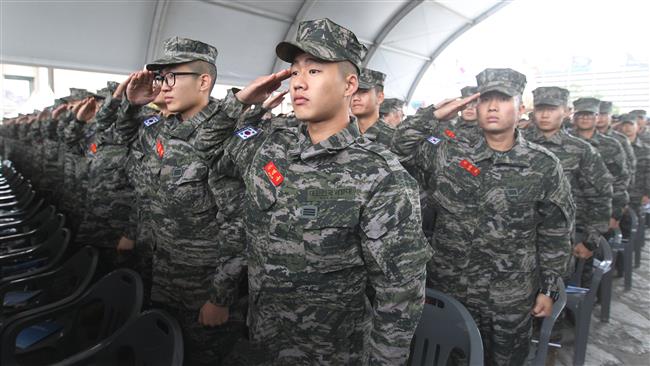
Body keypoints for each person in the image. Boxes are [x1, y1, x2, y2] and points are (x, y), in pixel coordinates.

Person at [212, 18, 431, 365]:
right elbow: (213, 161)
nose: (299, 82)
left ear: (349, 85)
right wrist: (241, 104)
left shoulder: (380, 175)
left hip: (332, 352)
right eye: (295, 71)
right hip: (263, 336)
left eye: (314, 71)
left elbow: (399, 292)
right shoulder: (270, 146)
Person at [392, 68, 574, 365]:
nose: (492, 107)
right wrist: (432, 117)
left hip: (510, 296)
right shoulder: (448, 153)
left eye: (502, 99)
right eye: (485, 99)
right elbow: (397, 149)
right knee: (444, 357)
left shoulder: (543, 164)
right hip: (450, 286)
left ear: (520, 108)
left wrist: (549, 287)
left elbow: (555, 229)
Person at [124, 36, 247, 365]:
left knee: (200, 356)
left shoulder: (225, 137)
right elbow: (116, 140)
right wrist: (132, 104)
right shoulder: (163, 129)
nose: (164, 86)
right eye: (161, 77)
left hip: (202, 285)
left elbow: (239, 224)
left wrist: (219, 297)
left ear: (204, 81)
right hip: (163, 271)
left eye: (173, 76)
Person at [571, 98, 630, 239]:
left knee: (601, 255)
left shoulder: (611, 145)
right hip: (569, 215)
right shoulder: (564, 143)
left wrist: (615, 213)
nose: (585, 118)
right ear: (574, 117)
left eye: (589, 114)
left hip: (600, 213)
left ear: (597, 117)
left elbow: (621, 179)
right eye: (581, 114)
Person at [351, 67, 395, 148]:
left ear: (379, 97)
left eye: (363, 92)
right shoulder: (341, 132)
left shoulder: (393, 139)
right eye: (353, 92)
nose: (355, 98)